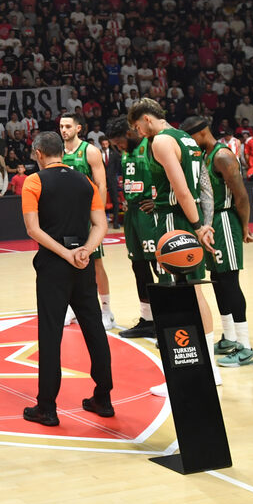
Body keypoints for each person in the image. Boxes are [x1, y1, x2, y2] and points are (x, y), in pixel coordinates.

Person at [128, 98, 222, 396]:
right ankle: (210, 369)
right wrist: (204, 223)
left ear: (145, 119)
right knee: (195, 291)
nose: (138, 132)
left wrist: (196, 225)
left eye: (137, 126)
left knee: (176, 298)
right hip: (190, 218)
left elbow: (181, 190)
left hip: (174, 221)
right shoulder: (186, 138)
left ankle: (186, 372)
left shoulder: (162, 142)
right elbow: (203, 185)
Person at [19, 132, 113, 427]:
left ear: (38, 153)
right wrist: (85, 250)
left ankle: (47, 407)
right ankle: (104, 398)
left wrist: (64, 253)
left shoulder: (34, 181)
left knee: (50, 335)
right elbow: (101, 224)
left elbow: (33, 230)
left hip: (53, 265)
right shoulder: (84, 181)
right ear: (62, 152)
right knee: (95, 329)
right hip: (83, 263)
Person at [183, 117, 253, 368]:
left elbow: (241, 195)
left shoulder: (222, 156)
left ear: (202, 132)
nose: (189, 143)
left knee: (230, 283)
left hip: (226, 222)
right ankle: (229, 338)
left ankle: (246, 347)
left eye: (191, 137)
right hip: (211, 224)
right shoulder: (204, 155)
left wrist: (245, 228)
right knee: (217, 282)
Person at [59, 112, 114, 328]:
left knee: (96, 264)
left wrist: (97, 216)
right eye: (61, 126)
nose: (64, 130)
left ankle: (107, 310)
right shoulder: (57, 152)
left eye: (68, 126)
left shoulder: (90, 151)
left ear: (79, 128)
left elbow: (101, 185)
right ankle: (71, 308)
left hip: (87, 217)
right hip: (65, 218)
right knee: (67, 263)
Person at [105, 117, 158, 339]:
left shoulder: (153, 145)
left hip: (151, 213)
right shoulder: (125, 152)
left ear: (128, 133)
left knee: (161, 266)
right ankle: (147, 319)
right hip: (133, 213)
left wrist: (159, 200)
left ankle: (168, 319)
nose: (118, 148)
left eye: (118, 143)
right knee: (138, 266)